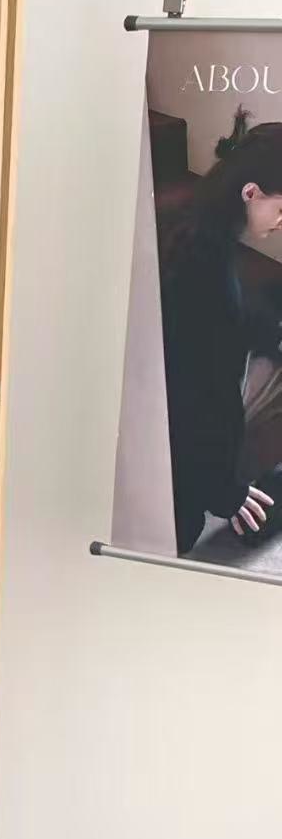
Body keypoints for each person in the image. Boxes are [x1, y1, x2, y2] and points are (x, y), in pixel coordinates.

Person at [157, 105, 282, 555]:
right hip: (184, 465)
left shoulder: (198, 221)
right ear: (251, 192)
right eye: (281, 208)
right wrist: (225, 489)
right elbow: (204, 396)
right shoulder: (204, 271)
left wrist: (269, 332)